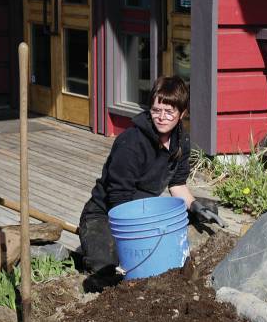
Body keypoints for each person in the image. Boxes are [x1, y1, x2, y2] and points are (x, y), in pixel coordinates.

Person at [78, 75, 225, 291]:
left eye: (169, 112)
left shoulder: (180, 141)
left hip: (144, 209)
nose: (162, 118)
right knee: (109, 270)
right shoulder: (130, 143)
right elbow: (119, 202)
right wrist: (146, 233)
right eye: (156, 111)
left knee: (205, 209)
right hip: (108, 214)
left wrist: (195, 206)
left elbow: (177, 184)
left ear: (182, 113)